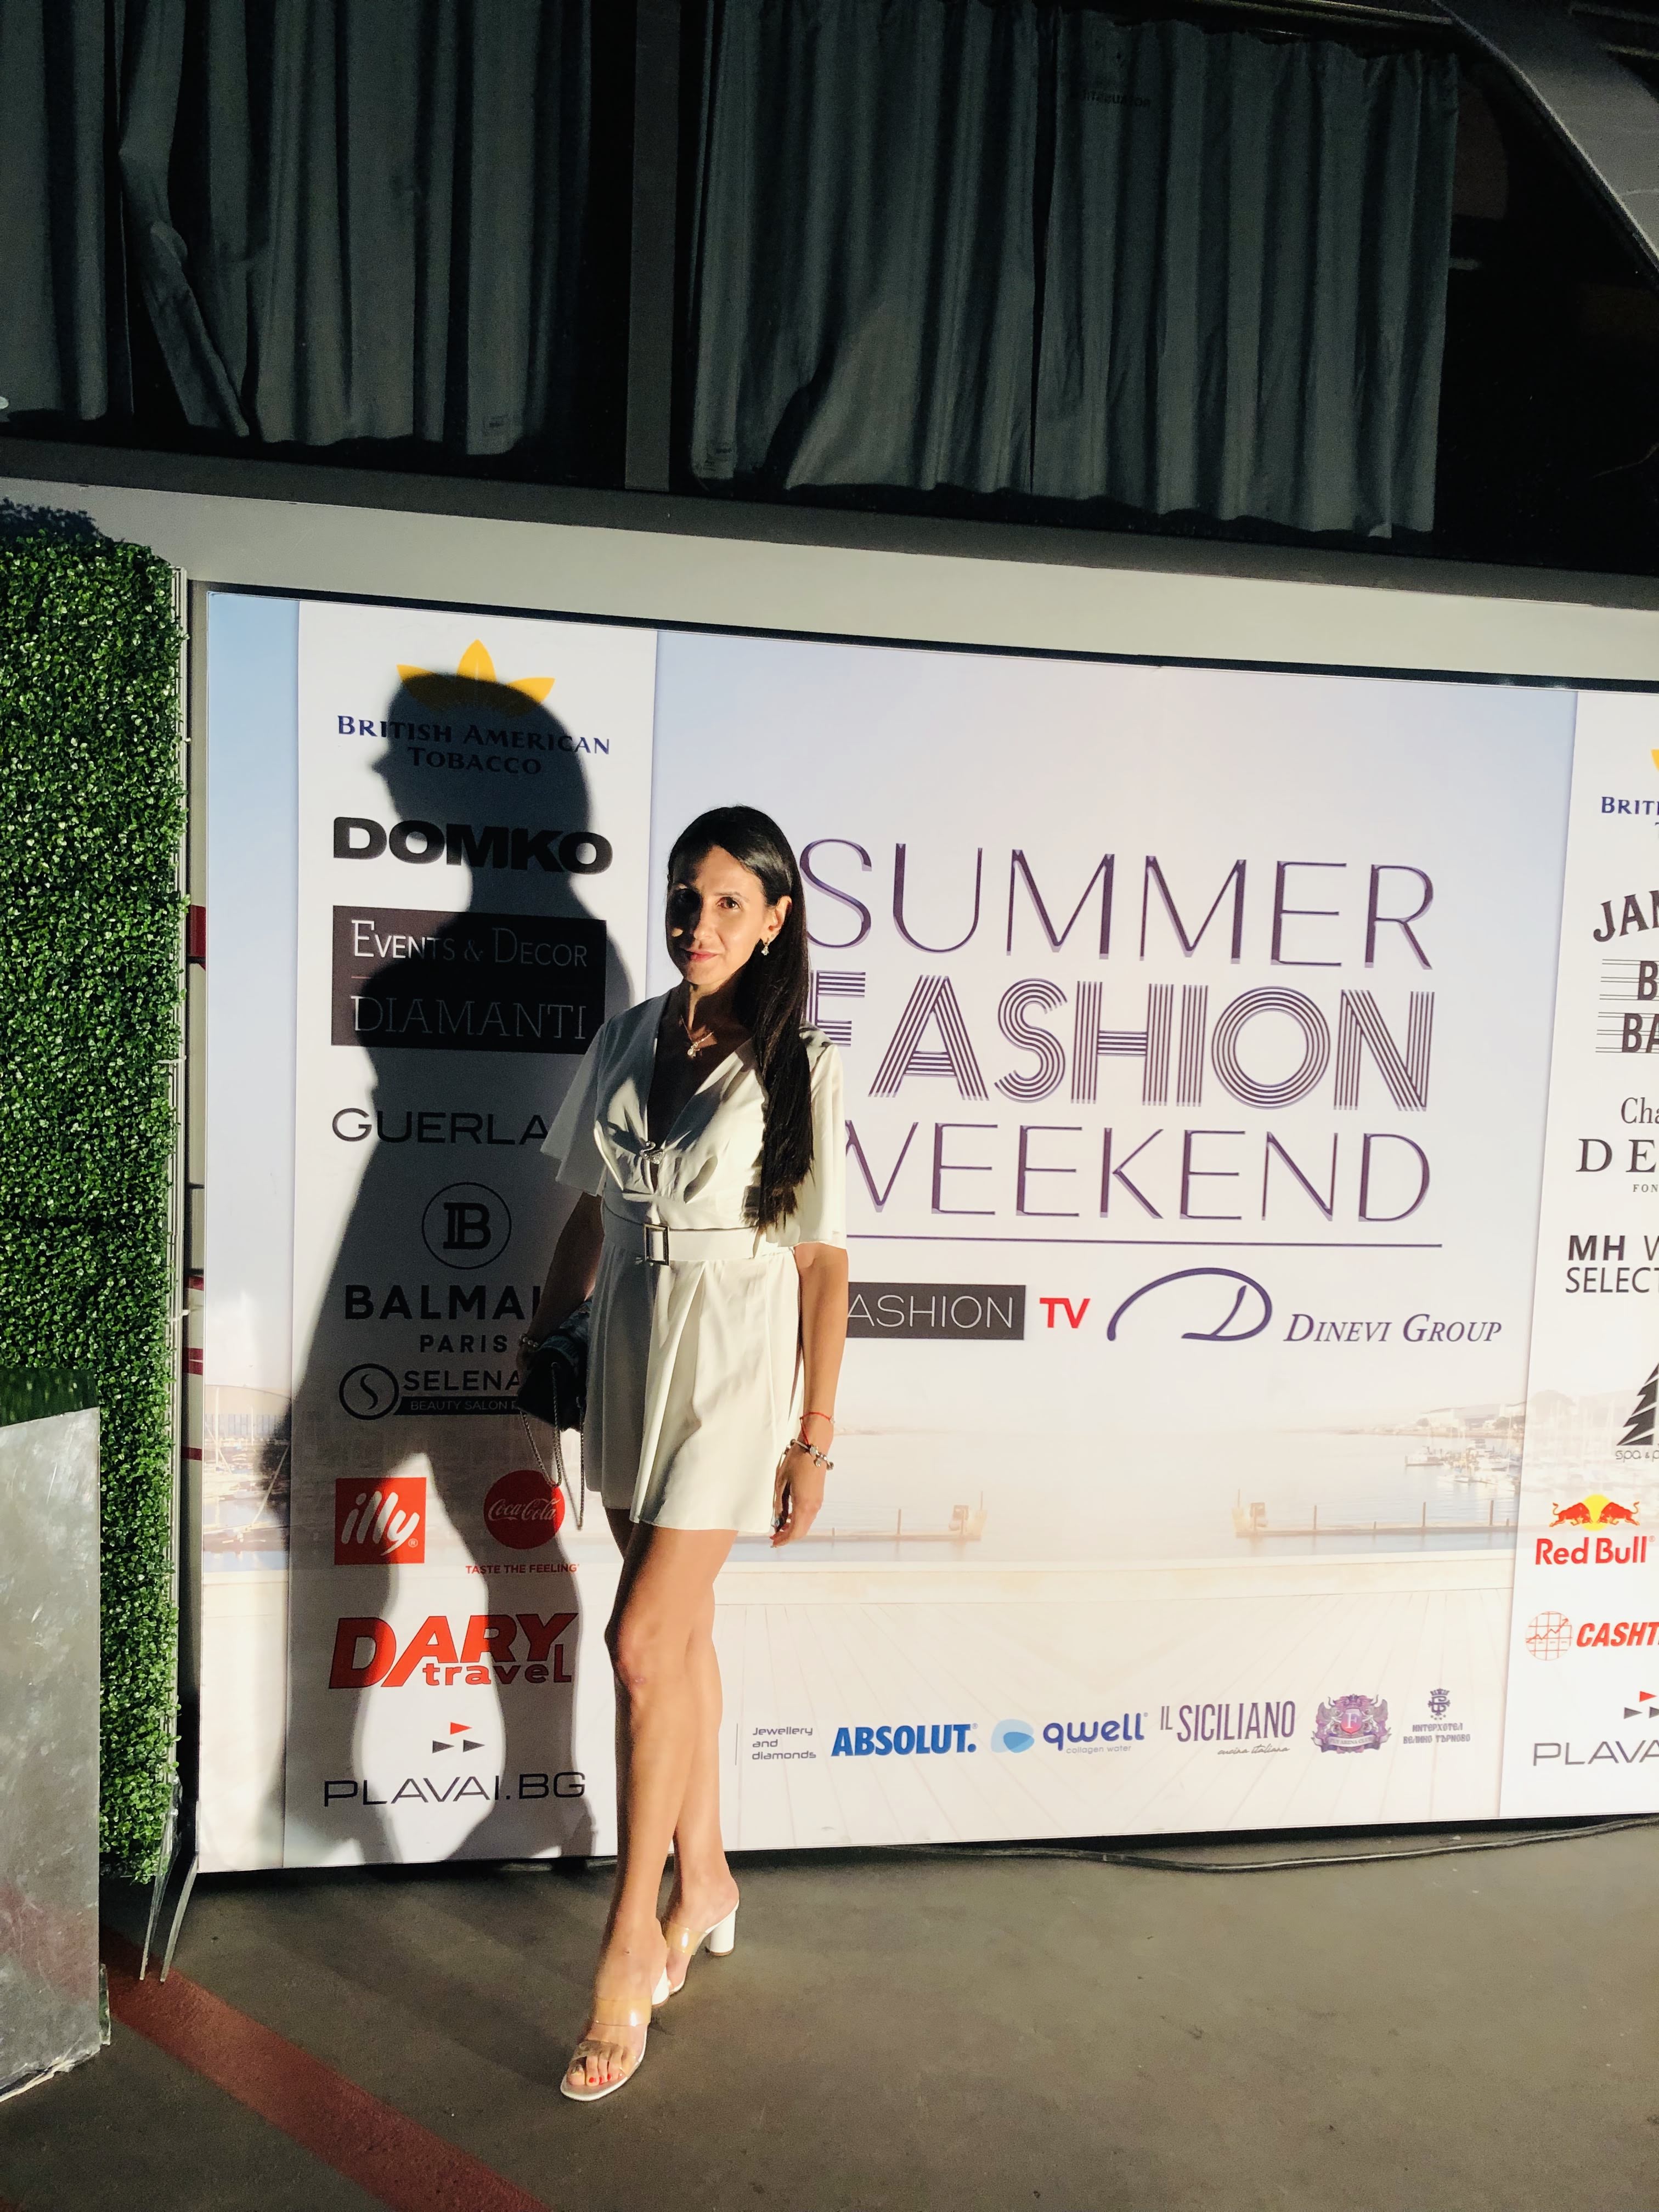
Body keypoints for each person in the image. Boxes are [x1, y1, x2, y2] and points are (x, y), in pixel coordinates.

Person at [524, 804, 849, 2103]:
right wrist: (544, 1334)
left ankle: (626, 1943)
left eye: (727, 904)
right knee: (683, 1639)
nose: (698, 925)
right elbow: (588, 1212)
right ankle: (706, 1877)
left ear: (774, 921)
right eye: (684, 900)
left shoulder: (803, 1061)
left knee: (642, 1648)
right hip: (625, 1351)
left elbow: (821, 1264)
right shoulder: (625, 1036)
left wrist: (815, 1436)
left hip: (730, 1367)